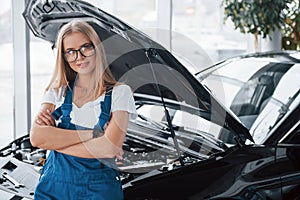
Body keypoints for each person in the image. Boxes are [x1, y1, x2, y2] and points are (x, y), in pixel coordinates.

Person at [30, 20, 137, 199]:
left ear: (97, 48)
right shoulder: (57, 91)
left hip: (99, 190)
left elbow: (108, 149)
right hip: (53, 186)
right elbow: (37, 137)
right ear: (63, 57)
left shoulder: (120, 92)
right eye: (70, 52)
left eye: (85, 47)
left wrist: (55, 143)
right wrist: (94, 135)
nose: (79, 57)